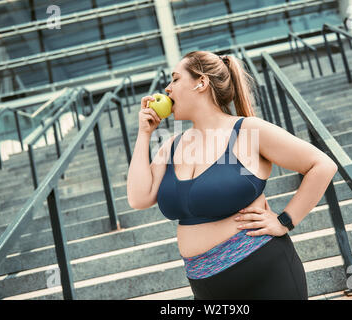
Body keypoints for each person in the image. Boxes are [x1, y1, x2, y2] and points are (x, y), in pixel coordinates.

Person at [127, 50, 338, 300]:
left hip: (266, 275)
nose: (167, 89)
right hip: (205, 286)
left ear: (201, 83)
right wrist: (144, 133)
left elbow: (321, 164)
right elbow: (138, 198)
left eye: (175, 79)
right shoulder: (171, 146)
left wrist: (284, 221)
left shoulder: (248, 131)